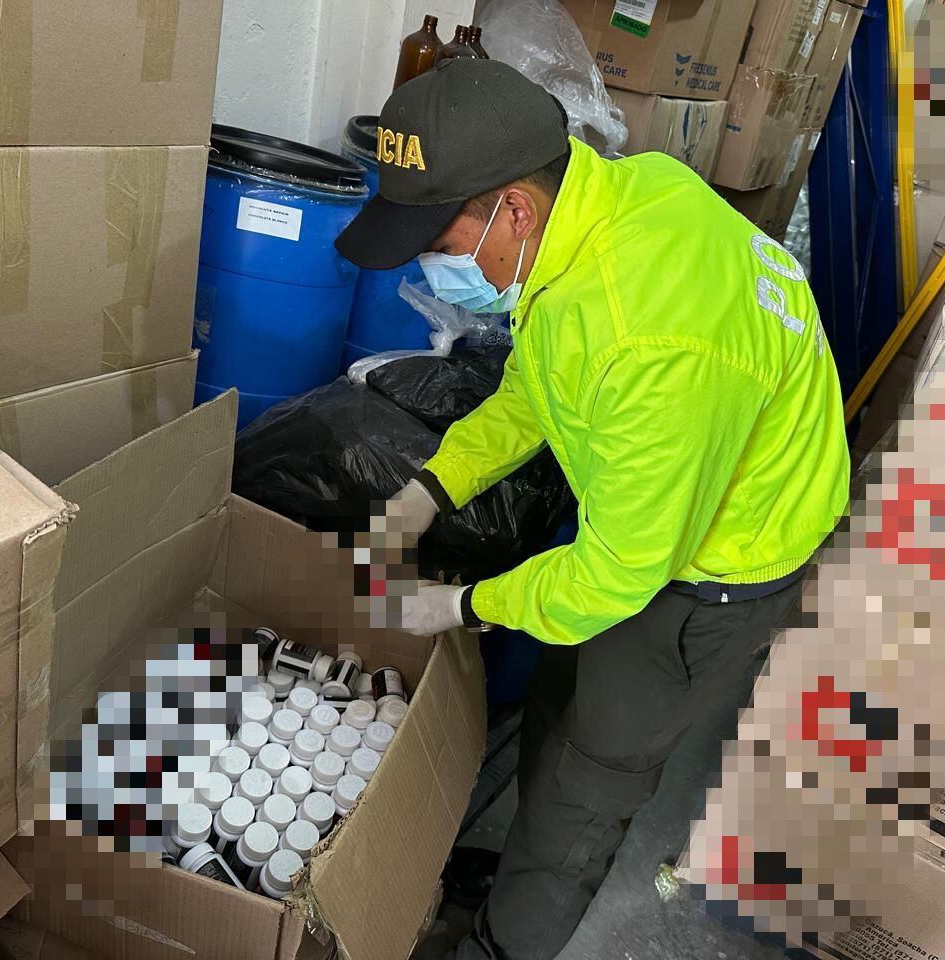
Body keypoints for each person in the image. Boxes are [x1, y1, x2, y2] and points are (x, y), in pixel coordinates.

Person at [334, 59, 850, 960]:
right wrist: (432, 488)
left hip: (719, 566)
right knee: (560, 699)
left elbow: (618, 575)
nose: (428, 266)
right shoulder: (604, 209)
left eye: (436, 243)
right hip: (655, 507)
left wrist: (464, 605)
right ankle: (522, 868)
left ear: (514, 211)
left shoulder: (650, 337)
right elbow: (539, 386)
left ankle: (506, 944)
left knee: (593, 776)